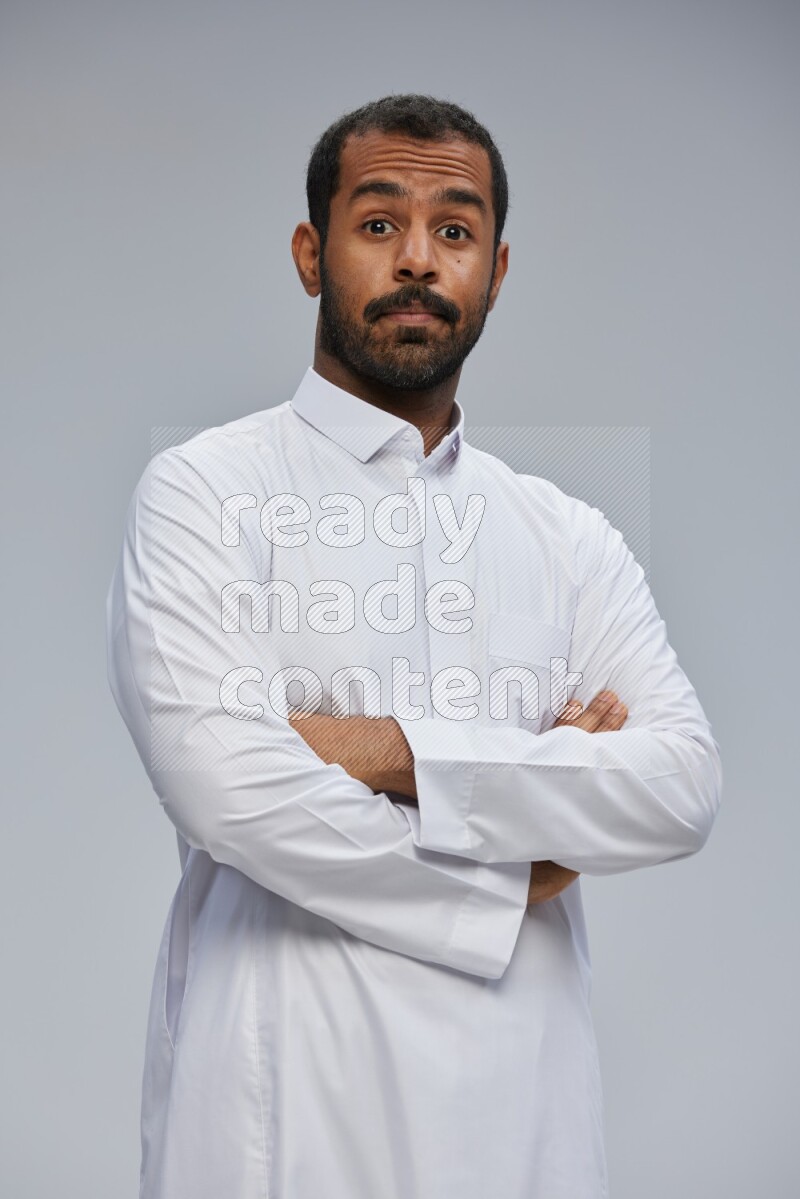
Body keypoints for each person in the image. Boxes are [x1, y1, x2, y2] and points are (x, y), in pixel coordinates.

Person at [105, 93, 722, 1199]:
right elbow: (227, 785)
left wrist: (373, 749)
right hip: (279, 1098)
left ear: (493, 269)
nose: (418, 261)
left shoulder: (564, 533)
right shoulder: (205, 490)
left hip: (522, 1103)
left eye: (454, 231)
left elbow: (677, 784)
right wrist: (525, 839)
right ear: (310, 253)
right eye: (378, 222)